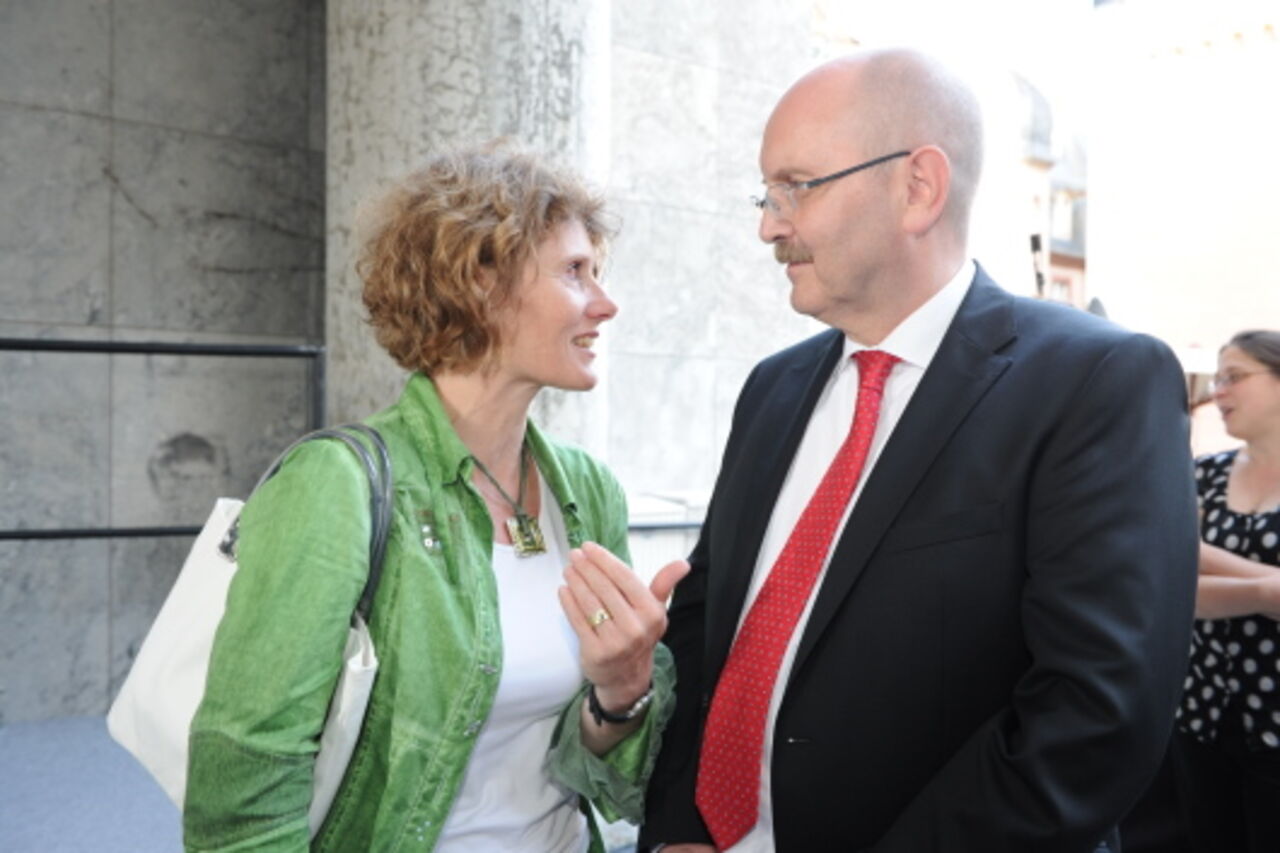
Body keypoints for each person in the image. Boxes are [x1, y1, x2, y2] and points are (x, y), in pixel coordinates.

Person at [638, 48, 1199, 853]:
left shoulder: (1096, 382)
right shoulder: (772, 389)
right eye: (766, 193)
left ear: (918, 187)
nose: (769, 223)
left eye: (796, 186)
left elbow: (1094, 718)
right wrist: (677, 829)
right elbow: (702, 632)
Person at [183, 143, 689, 851]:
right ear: (480, 280)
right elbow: (241, 800)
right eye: (576, 272)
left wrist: (623, 691)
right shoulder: (335, 484)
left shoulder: (588, 490)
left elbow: (619, 789)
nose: (606, 303)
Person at [1172, 330, 1280, 853]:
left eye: (1234, 376)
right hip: (1201, 715)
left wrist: (1200, 565)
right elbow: (1171, 582)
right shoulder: (1202, 475)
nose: (1217, 391)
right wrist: (1267, 591)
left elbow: (1185, 564)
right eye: (1216, 378)